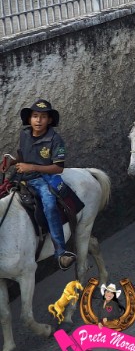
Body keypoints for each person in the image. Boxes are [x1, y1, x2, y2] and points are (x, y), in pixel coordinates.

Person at [10, 99, 75, 269]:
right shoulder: (25, 134)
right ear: (29, 119)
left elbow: (58, 168)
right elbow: (23, 156)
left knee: (50, 205)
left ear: (50, 120)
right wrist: (12, 161)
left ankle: (61, 252)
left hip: (43, 179)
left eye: (43, 117)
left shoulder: (55, 139)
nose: (38, 120)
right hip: (21, 176)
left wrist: (31, 167)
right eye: (35, 116)